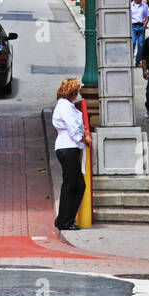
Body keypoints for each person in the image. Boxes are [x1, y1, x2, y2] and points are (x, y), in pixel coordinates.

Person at [52, 78, 91, 231]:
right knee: (72, 185)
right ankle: (65, 221)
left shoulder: (64, 105)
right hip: (68, 147)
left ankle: (65, 219)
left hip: (68, 146)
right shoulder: (65, 107)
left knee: (75, 184)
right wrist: (85, 137)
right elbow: (73, 129)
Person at [130, 0, 149, 64]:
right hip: (133, 26)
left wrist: (145, 24)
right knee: (133, 42)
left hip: (141, 26)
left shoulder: (144, 6)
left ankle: (138, 61)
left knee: (141, 45)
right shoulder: (130, 6)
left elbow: (148, 15)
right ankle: (129, 59)